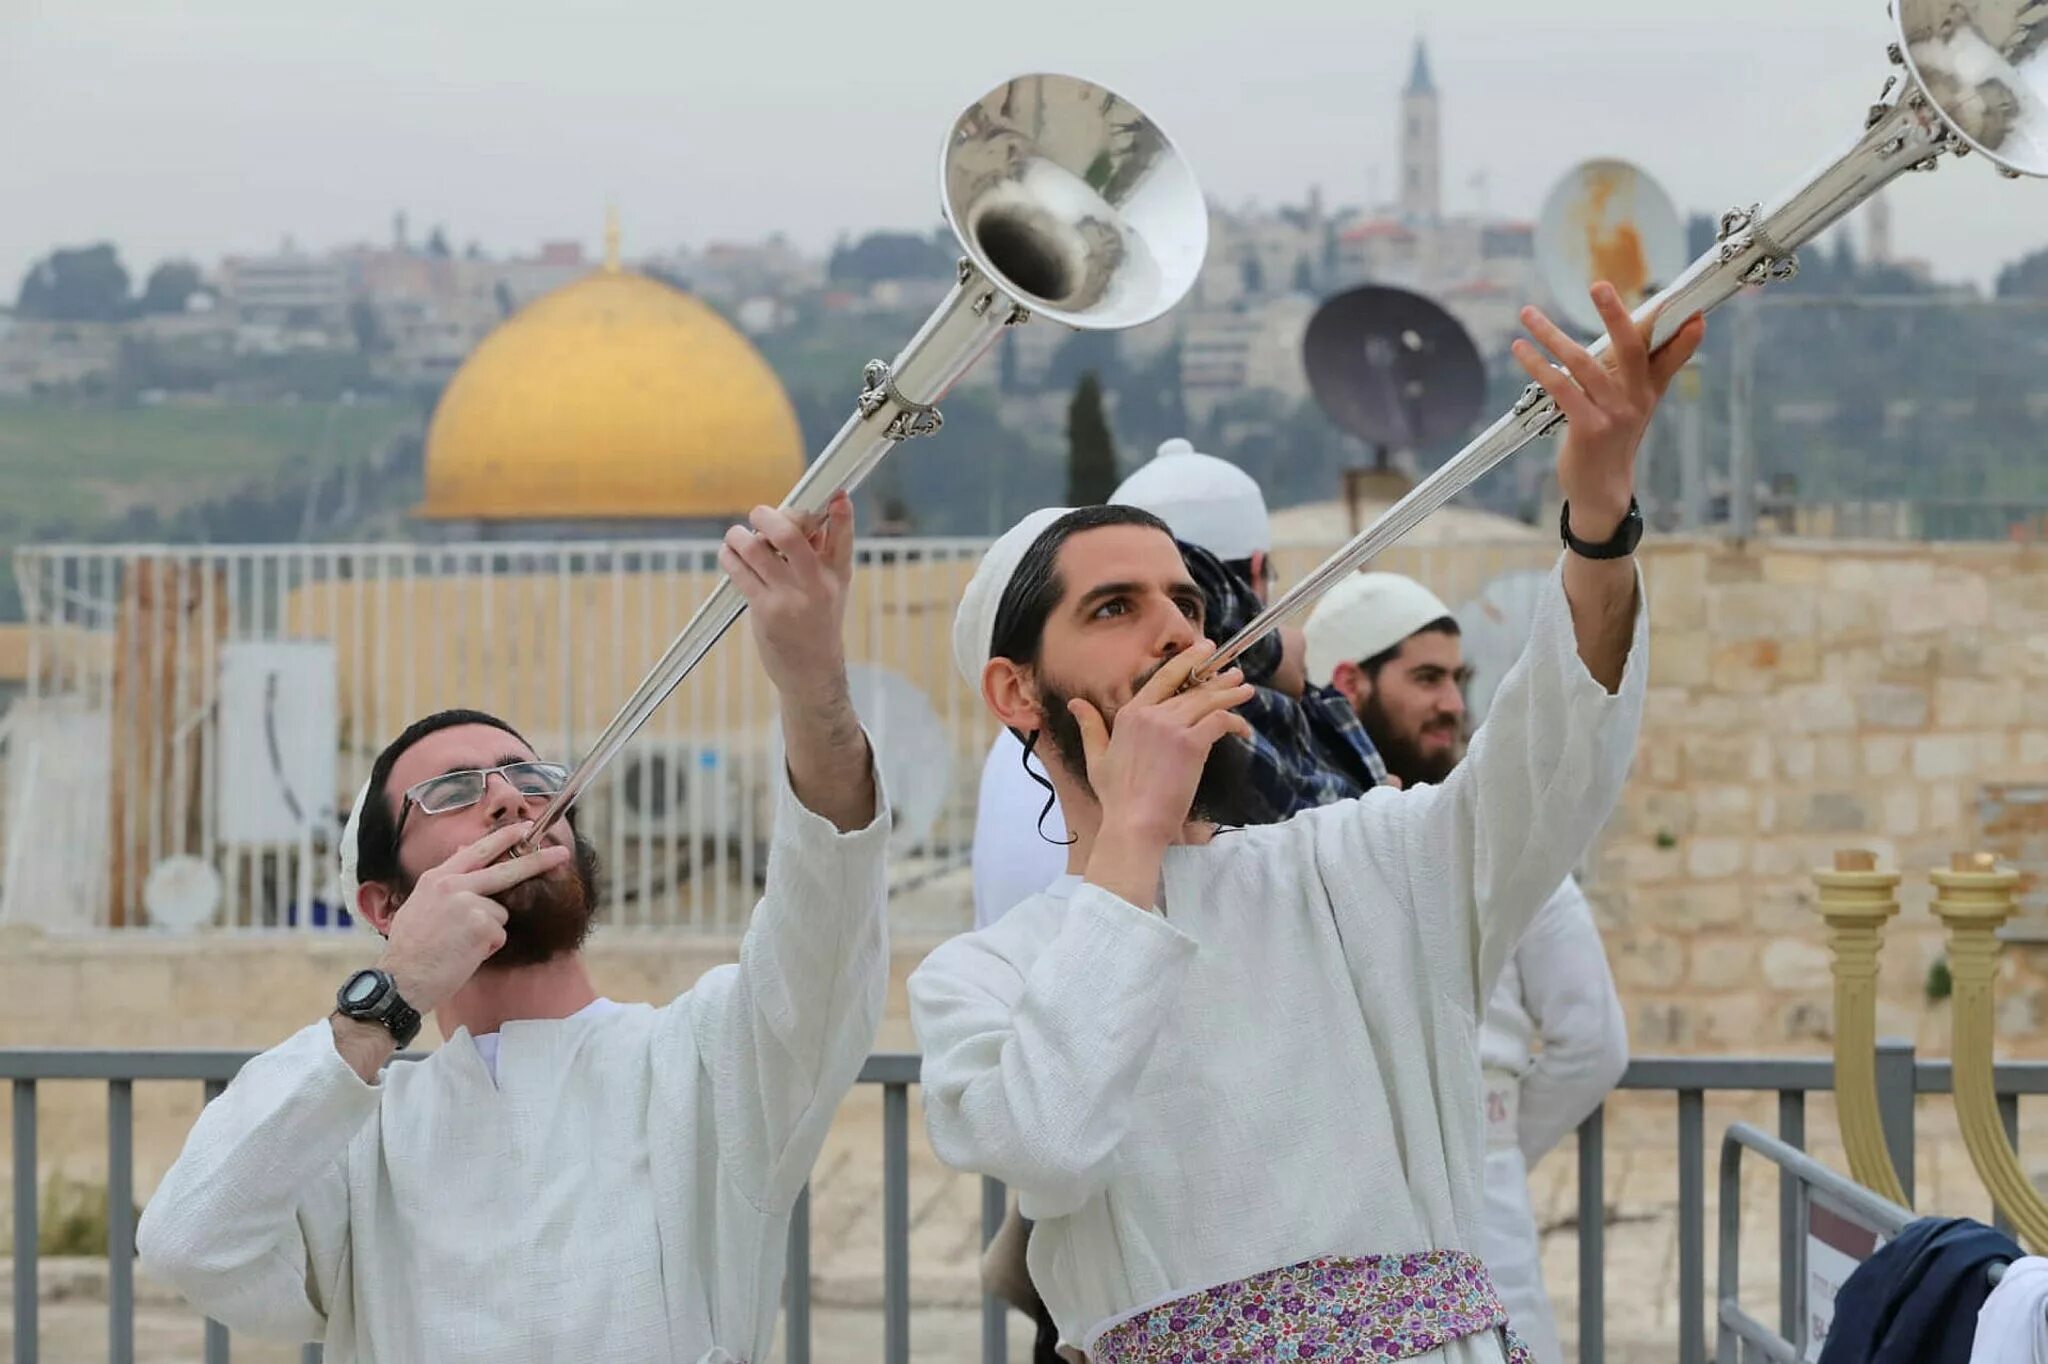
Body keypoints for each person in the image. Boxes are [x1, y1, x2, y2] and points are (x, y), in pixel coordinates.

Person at [910, 285, 1698, 1363]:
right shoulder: (978, 978)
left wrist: (1598, 521)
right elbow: (1047, 1145)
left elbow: (1551, 767)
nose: (1174, 635)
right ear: (1014, 690)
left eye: (1185, 603)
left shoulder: (1355, 861)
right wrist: (1132, 835)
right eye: (1113, 608)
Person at [137, 493, 892, 1364]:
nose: (510, 797)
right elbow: (189, 1240)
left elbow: (828, 903)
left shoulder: (706, 1060)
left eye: (528, 775)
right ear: (384, 906)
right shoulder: (361, 1139)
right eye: (454, 792)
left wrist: (812, 683)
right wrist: (390, 1000)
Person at [1304, 570, 1630, 1364]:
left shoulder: (1504, 845)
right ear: (1349, 682)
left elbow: (1593, 1043)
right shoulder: (1286, 847)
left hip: (1479, 1211)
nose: (1453, 703)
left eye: (1458, 679)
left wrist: (1485, 1134)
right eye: (1427, 679)